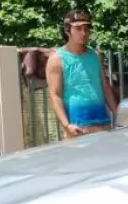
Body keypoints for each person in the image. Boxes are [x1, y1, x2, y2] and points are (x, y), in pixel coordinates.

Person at [46, 9, 119, 138]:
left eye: (86, 29)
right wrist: (67, 125)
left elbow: (105, 86)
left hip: (103, 126)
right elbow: (55, 95)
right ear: (67, 30)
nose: (84, 33)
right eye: (78, 29)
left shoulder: (95, 55)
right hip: (78, 129)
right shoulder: (57, 59)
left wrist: (119, 116)